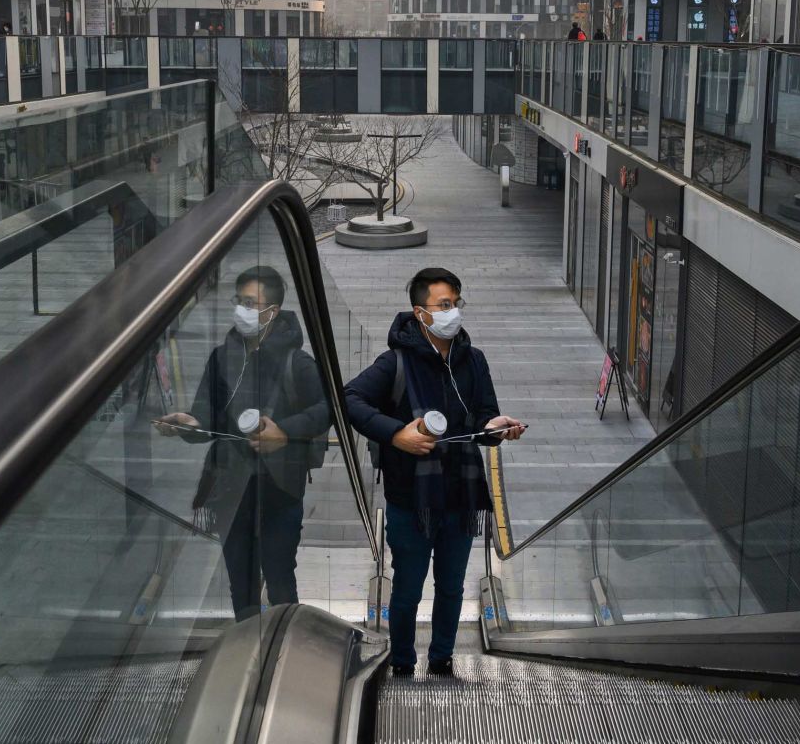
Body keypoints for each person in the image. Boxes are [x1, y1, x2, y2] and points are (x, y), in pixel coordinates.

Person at [345, 267, 526, 678]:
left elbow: (484, 418)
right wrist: (396, 435)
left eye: (456, 304)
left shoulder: (473, 360)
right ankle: (403, 662)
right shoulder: (396, 362)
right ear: (420, 313)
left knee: (451, 586)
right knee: (408, 588)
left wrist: (497, 429)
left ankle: (442, 657)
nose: (453, 312)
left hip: (460, 500)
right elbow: (351, 397)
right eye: (444, 305)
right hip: (411, 500)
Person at [155, 266, 330, 621]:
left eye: (252, 303)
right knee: (241, 581)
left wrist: (285, 430)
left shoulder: (297, 362)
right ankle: (247, 650)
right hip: (230, 487)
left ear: (273, 312)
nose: (243, 310)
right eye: (240, 301)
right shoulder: (223, 357)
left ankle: (283, 648)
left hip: (279, 489)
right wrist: (189, 424)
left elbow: (327, 408)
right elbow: (206, 413)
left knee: (280, 577)